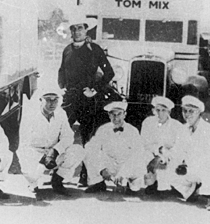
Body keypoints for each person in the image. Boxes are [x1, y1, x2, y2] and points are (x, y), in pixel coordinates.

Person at [58, 17, 116, 185]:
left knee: (87, 138)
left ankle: (85, 175)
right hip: (70, 98)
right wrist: (62, 85)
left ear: (86, 30)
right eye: (74, 29)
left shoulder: (94, 49)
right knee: (62, 134)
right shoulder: (67, 50)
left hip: (88, 100)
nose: (77, 32)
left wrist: (95, 89)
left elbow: (109, 73)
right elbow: (62, 69)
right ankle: (59, 176)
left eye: (80, 28)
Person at [18, 88, 85, 196]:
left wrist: (55, 151)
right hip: (34, 153)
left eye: (55, 100)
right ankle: (33, 184)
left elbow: (68, 136)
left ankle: (57, 179)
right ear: (40, 100)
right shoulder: (30, 115)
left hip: (53, 153)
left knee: (78, 151)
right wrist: (42, 158)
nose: (52, 103)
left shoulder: (61, 113)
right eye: (48, 99)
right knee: (33, 174)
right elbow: (24, 144)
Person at [169, 95, 210, 211]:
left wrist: (190, 164)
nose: (187, 114)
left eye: (191, 111)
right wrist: (172, 159)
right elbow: (178, 150)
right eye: (185, 111)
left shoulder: (208, 130)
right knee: (168, 171)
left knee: (207, 169)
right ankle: (193, 190)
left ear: (199, 112)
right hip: (191, 166)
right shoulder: (183, 129)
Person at [83, 101, 148, 193]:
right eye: (113, 114)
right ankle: (98, 183)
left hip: (126, 165)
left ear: (125, 115)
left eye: (119, 114)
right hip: (110, 165)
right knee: (88, 150)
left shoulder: (133, 131)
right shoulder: (103, 129)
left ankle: (132, 185)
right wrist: (102, 169)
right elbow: (91, 147)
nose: (116, 118)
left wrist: (123, 173)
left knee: (141, 158)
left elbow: (138, 153)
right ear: (109, 115)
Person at [140, 96, 186, 195]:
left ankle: (171, 186)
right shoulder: (147, 122)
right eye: (157, 110)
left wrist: (164, 157)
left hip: (170, 156)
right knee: (144, 157)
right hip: (152, 154)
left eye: (163, 110)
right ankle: (152, 184)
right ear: (153, 111)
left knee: (172, 165)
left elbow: (179, 147)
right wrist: (158, 152)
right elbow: (145, 143)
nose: (160, 113)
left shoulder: (177, 126)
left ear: (169, 112)